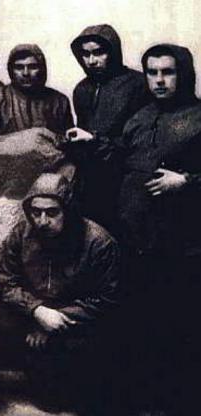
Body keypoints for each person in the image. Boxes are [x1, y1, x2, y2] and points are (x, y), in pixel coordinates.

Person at [114, 44, 201, 415]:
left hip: (182, 246)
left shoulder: (199, 117)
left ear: (184, 74)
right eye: (152, 73)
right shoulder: (140, 116)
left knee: (180, 329)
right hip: (137, 242)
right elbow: (121, 156)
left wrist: (187, 181)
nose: (160, 81)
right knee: (140, 326)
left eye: (168, 72)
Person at [0, 173, 119, 413]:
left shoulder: (99, 243)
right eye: (36, 212)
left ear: (68, 211)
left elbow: (107, 298)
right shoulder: (21, 234)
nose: (42, 221)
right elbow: (4, 280)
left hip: (75, 318)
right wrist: (37, 311)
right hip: (34, 313)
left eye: (52, 212)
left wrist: (55, 319)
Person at [63, 24, 150, 233]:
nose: (91, 61)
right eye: (85, 54)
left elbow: (141, 139)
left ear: (113, 51)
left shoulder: (138, 84)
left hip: (126, 178)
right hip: (91, 179)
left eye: (99, 52)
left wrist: (94, 139)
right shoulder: (82, 89)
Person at [0, 44, 72, 143]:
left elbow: (68, 140)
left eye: (32, 67)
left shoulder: (59, 101)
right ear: (11, 70)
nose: (25, 73)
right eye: (19, 67)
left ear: (42, 69)